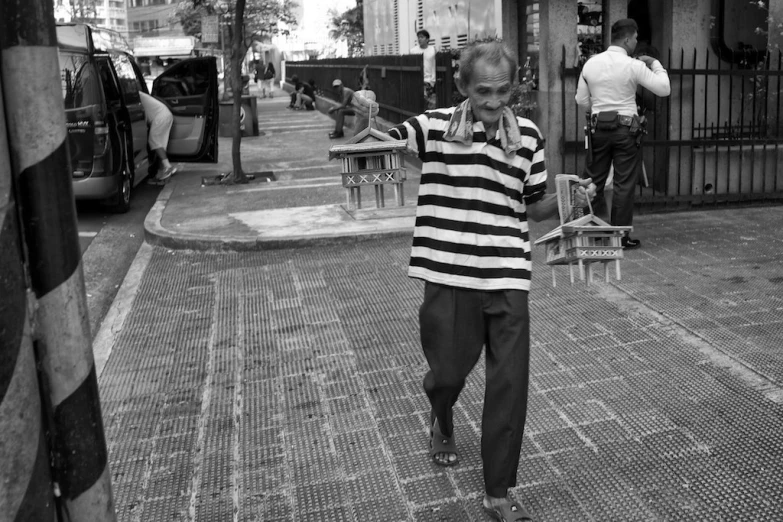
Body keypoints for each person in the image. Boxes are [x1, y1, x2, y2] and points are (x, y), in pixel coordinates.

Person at [388, 41, 595, 522]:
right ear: (463, 86)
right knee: (448, 374)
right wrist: (363, 118)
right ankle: (441, 412)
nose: (495, 101)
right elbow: (378, 144)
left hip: (506, 272)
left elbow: (534, 203)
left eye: (503, 91)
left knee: (510, 383)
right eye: (484, 91)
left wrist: (571, 194)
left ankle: (498, 491)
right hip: (447, 273)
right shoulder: (432, 127)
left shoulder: (527, 136)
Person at [575, 18, 670, 249]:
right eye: (635, 38)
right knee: (623, 183)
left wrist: (596, 109)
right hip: (627, 129)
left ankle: (593, 231)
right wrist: (655, 63)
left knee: (592, 181)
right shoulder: (633, 65)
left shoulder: (590, 64)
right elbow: (664, 88)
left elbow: (581, 100)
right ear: (627, 39)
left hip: (598, 128)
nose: (636, 43)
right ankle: (620, 236)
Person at [139, 91, 176, 181]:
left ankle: (168, 167)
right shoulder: (141, 95)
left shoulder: (137, 96)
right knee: (159, 144)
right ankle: (162, 168)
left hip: (160, 117)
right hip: (164, 115)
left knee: (154, 141)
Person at [410, 29, 437, 109]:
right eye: (418, 37)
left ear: (427, 39)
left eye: (422, 37)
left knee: (428, 102)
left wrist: (433, 80)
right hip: (417, 80)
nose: (419, 39)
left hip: (429, 81)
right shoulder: (413, 51)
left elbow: (434, 65)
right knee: (419, 102)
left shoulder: (432, 50)